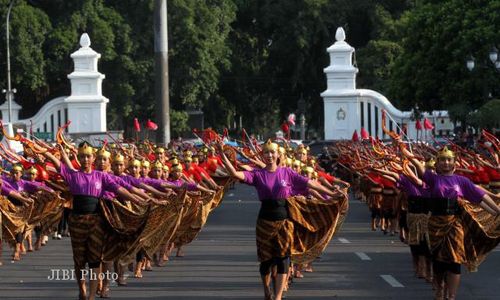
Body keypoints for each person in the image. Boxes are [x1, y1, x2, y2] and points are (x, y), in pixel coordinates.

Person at [216, 139, 341, 300]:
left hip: (285, 222)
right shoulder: (258, 175)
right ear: (263, 155)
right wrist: (221, 152)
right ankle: (267, 291)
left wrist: (330, 194)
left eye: (272, 152)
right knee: (266, 262)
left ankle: (278, 296)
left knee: (283, 259)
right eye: (266, 152)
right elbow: (234, 173)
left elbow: (311, 183)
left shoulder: (287, 172)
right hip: (264, 222)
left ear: (277, 155)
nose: (269, 155)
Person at [43, 142, 145, 300]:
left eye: (88, 156)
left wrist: (138, 200)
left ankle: (91, 295)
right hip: (76, 222)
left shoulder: (101, 176)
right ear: (79, 157)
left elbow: (121, 189)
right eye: (82, 156)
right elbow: (57, 163)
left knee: (95, 259)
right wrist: (46, 151)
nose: (85, 159)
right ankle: (82, 288)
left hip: (96, 222)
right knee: (79, 261)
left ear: (93, 158)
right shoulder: (72, 174)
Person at [404, 146, 500, 300]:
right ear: (437, 163)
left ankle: (451, 296)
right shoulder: (433, 178)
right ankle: (440, 290)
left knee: (455, 261)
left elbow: (480, 197)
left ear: (454, 162)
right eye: (442, 160)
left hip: (454, 224)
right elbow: (419, 167)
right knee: (438, 261)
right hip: (435, 224)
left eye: (449, 160)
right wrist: (406, 152)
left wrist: (496, 211)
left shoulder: (462, 181)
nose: (446, 163)